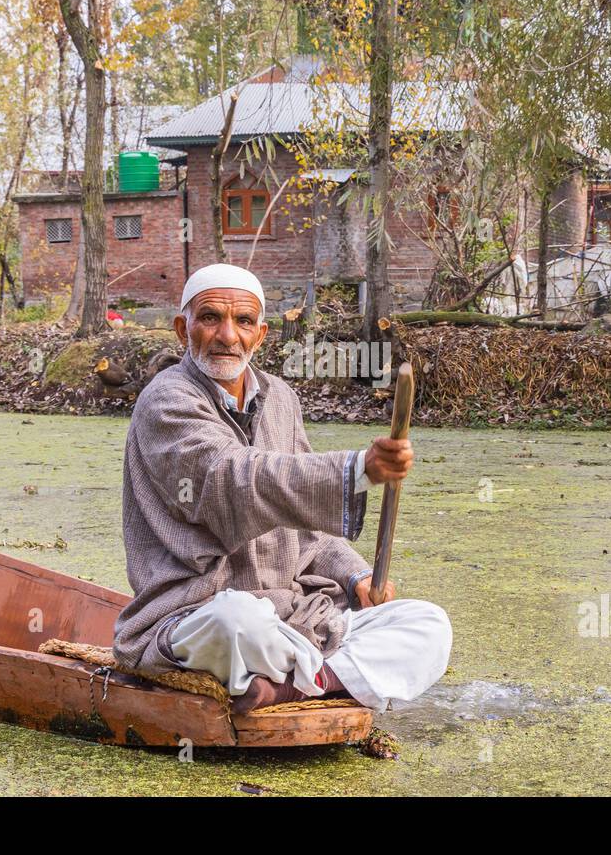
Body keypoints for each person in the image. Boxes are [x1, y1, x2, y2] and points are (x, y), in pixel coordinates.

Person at [113, 263, 452, 714]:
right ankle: (330, 675)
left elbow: (306, 527)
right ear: (182, 328)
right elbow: (230, 480)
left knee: (427, 623)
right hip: (197, 612)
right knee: (239, 622)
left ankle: (293, 686)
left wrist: (356, 576)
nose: (228, 336)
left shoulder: (280, 398)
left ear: (262, 334)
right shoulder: (167, 399)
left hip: (293, 614)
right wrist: (355, 471)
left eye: (244, 322)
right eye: (210, 318)